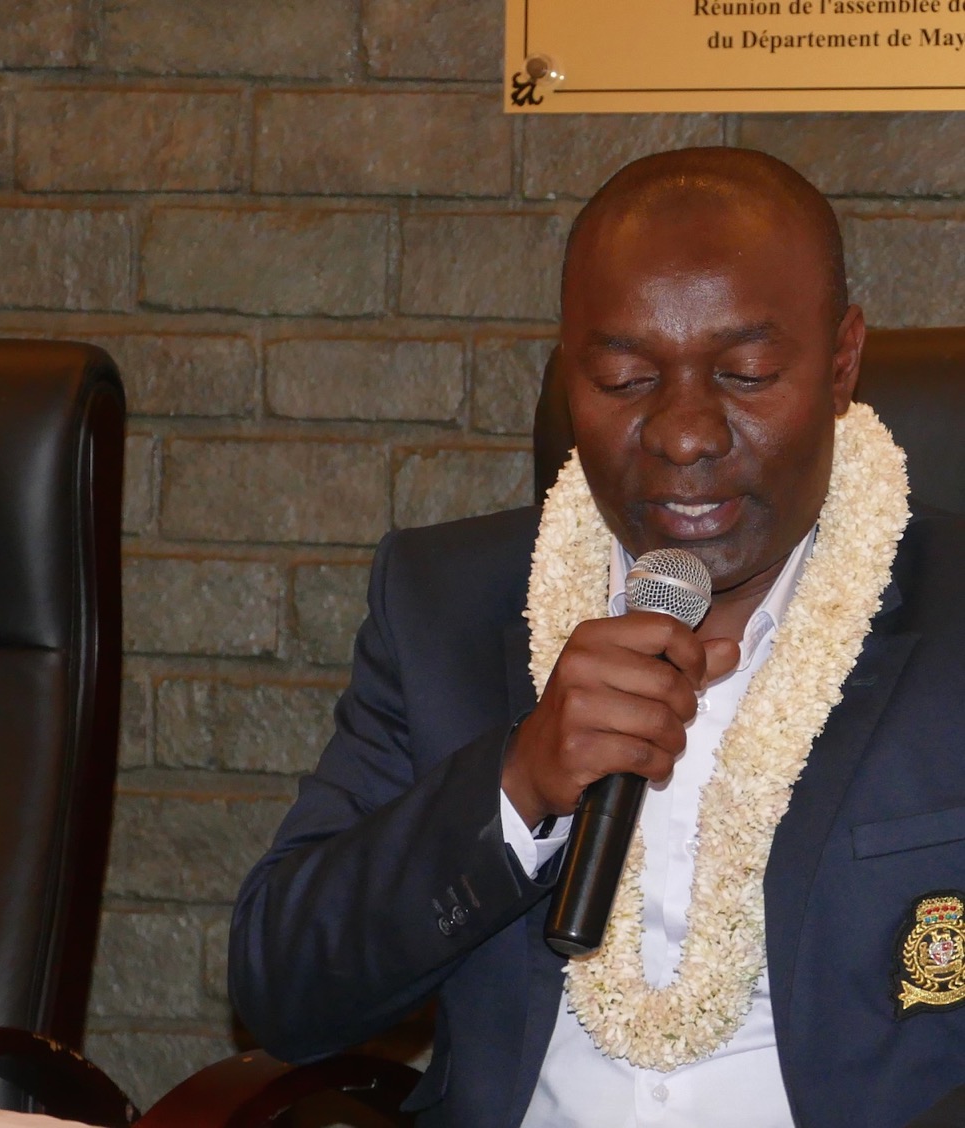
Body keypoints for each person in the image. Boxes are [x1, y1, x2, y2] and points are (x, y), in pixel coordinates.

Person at [230, 147, 965, 1127]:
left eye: (744, 374)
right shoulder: (444, 604)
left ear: (840, 362)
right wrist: (516, 786)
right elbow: (283, 990)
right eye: (624, 380)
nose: (683, 434)